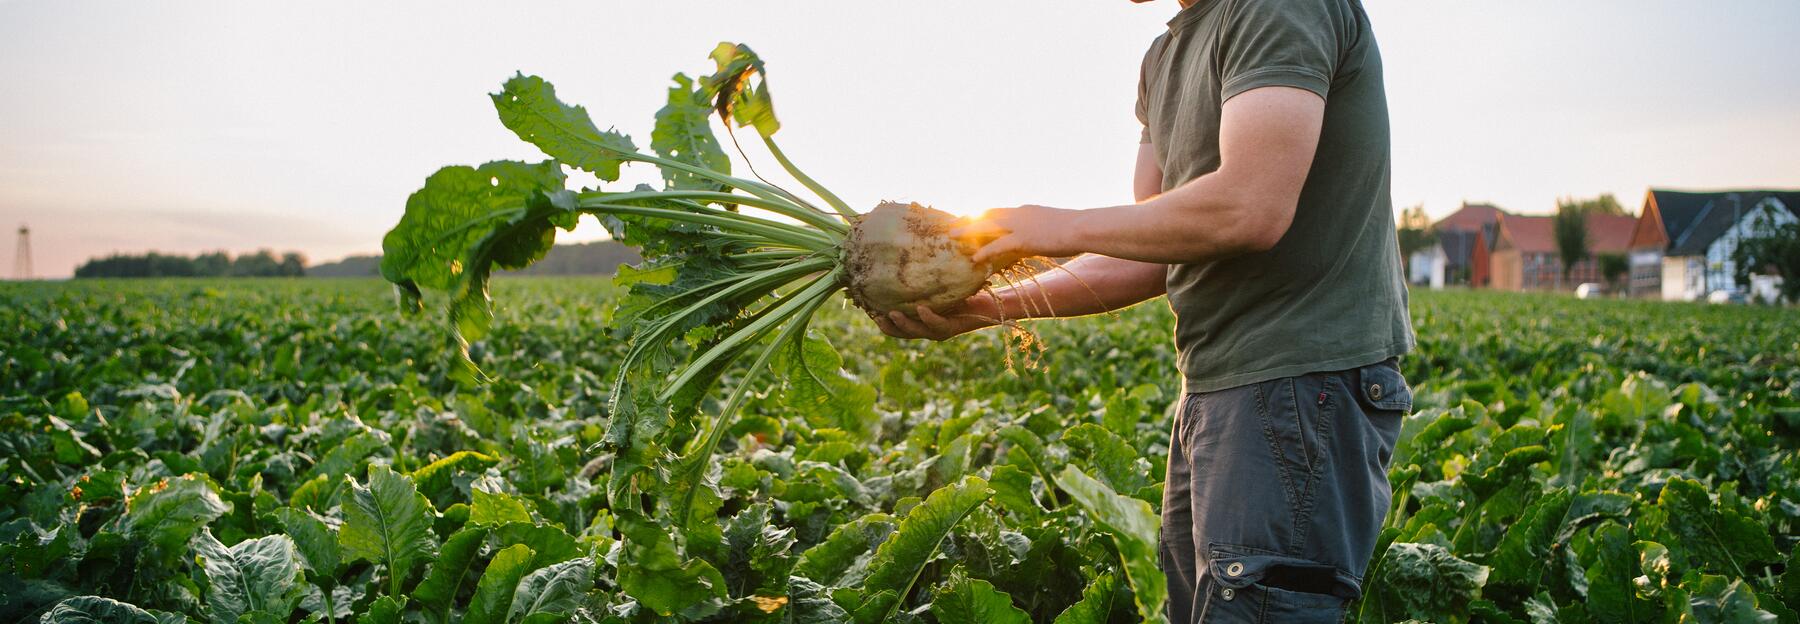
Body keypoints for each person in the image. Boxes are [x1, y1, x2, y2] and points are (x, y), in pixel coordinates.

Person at [875, 0, 1414, 620]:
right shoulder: (1164, 57)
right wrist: (994, 306)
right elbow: (1155, 254)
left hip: (1299, 384)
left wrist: (1057, 226)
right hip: (1216, 392)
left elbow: (1251, 206)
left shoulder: (1275, 8)